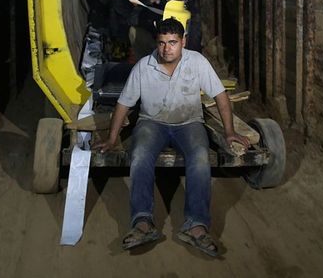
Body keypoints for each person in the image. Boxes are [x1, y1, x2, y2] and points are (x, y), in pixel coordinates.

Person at [94, 18, 249, 257]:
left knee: (199, 158)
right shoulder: (144, 66)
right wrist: (113, 138)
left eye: (173, 42)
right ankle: (142, 223)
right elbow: (124, 104)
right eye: (162, 43)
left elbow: (220, 96)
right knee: (139, 156)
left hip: (189, 124)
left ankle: (196, 226)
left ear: (183, 42)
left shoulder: (197, 62)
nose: (167, 48)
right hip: (151, 123)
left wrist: (229, 132)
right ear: (157, 43)